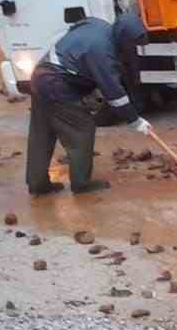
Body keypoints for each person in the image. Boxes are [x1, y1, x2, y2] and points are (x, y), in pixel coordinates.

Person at [25, 11, 152, 195]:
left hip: (40, 75)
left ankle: (37, 183)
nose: (131, 48)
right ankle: (81, 183)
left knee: (42, 131)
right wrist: (135, 120)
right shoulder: (102, 51)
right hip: (56, 82)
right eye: (130, 44)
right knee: (82, 127)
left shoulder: (98, 25)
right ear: (123, 38)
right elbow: (114, 94)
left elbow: (75, 29)